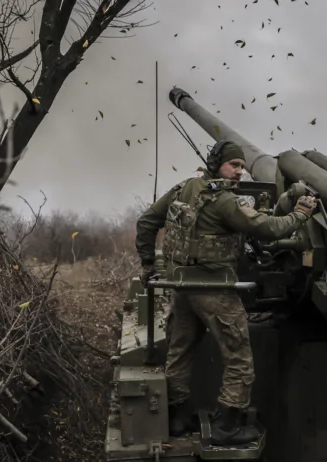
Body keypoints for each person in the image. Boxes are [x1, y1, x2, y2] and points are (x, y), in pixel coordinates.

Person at [134, 140, 317, 446]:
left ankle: (178, 418)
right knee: (239, 358)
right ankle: (227, 425)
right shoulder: (225, 201)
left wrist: (148, 263)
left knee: (180, 352)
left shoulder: (182, 189)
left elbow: (146, 221)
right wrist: (299, 215)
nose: (239, 172)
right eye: (234, 165)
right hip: (215, 291)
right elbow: (268, 228)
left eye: (242, 166)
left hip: (181, 288)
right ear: (216, 164)